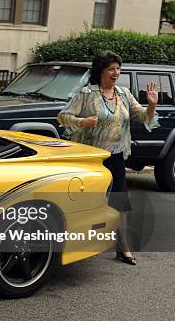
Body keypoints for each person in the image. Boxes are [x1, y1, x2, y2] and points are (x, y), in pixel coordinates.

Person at [57, 51, 159, 265]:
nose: (116, 73)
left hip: (116, 156)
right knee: (87, 203)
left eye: (118, 69)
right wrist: (82, 122)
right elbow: (62, 116)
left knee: (120, 202)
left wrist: (151, 104)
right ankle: (75, 245)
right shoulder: (86, 94)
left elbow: (143, 117)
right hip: (91, 158)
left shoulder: (122, 93)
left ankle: (124, 249)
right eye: (112, 68)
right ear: (101, 70)